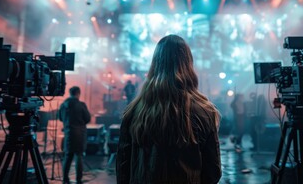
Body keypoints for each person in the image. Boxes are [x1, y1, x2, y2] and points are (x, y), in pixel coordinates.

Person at [116, 35, 221, 184]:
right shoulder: (205, 112)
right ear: (188, 64)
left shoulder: (134, 112)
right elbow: (213, 172)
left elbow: (122, 167)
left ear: (155, 64)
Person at [59, 86, 91, 184]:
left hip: (68, 133)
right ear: (78, 93)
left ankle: (65, 179)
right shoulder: (81, 105)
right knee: (79, 156)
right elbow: (87, 118)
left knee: (68, 156)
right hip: (79, 134)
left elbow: (60, 118)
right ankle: (78, 180)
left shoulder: (63, 105)